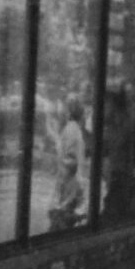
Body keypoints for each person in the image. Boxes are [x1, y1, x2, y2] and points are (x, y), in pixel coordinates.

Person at [48, 95, 86, 231]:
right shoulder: (73, 129)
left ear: (69, 112)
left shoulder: (71, 130)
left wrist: (61, 190)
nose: (61, 112)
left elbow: (71, 161)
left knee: (59, 229)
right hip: (69, 191)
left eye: (64, 109)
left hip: (67, 193)